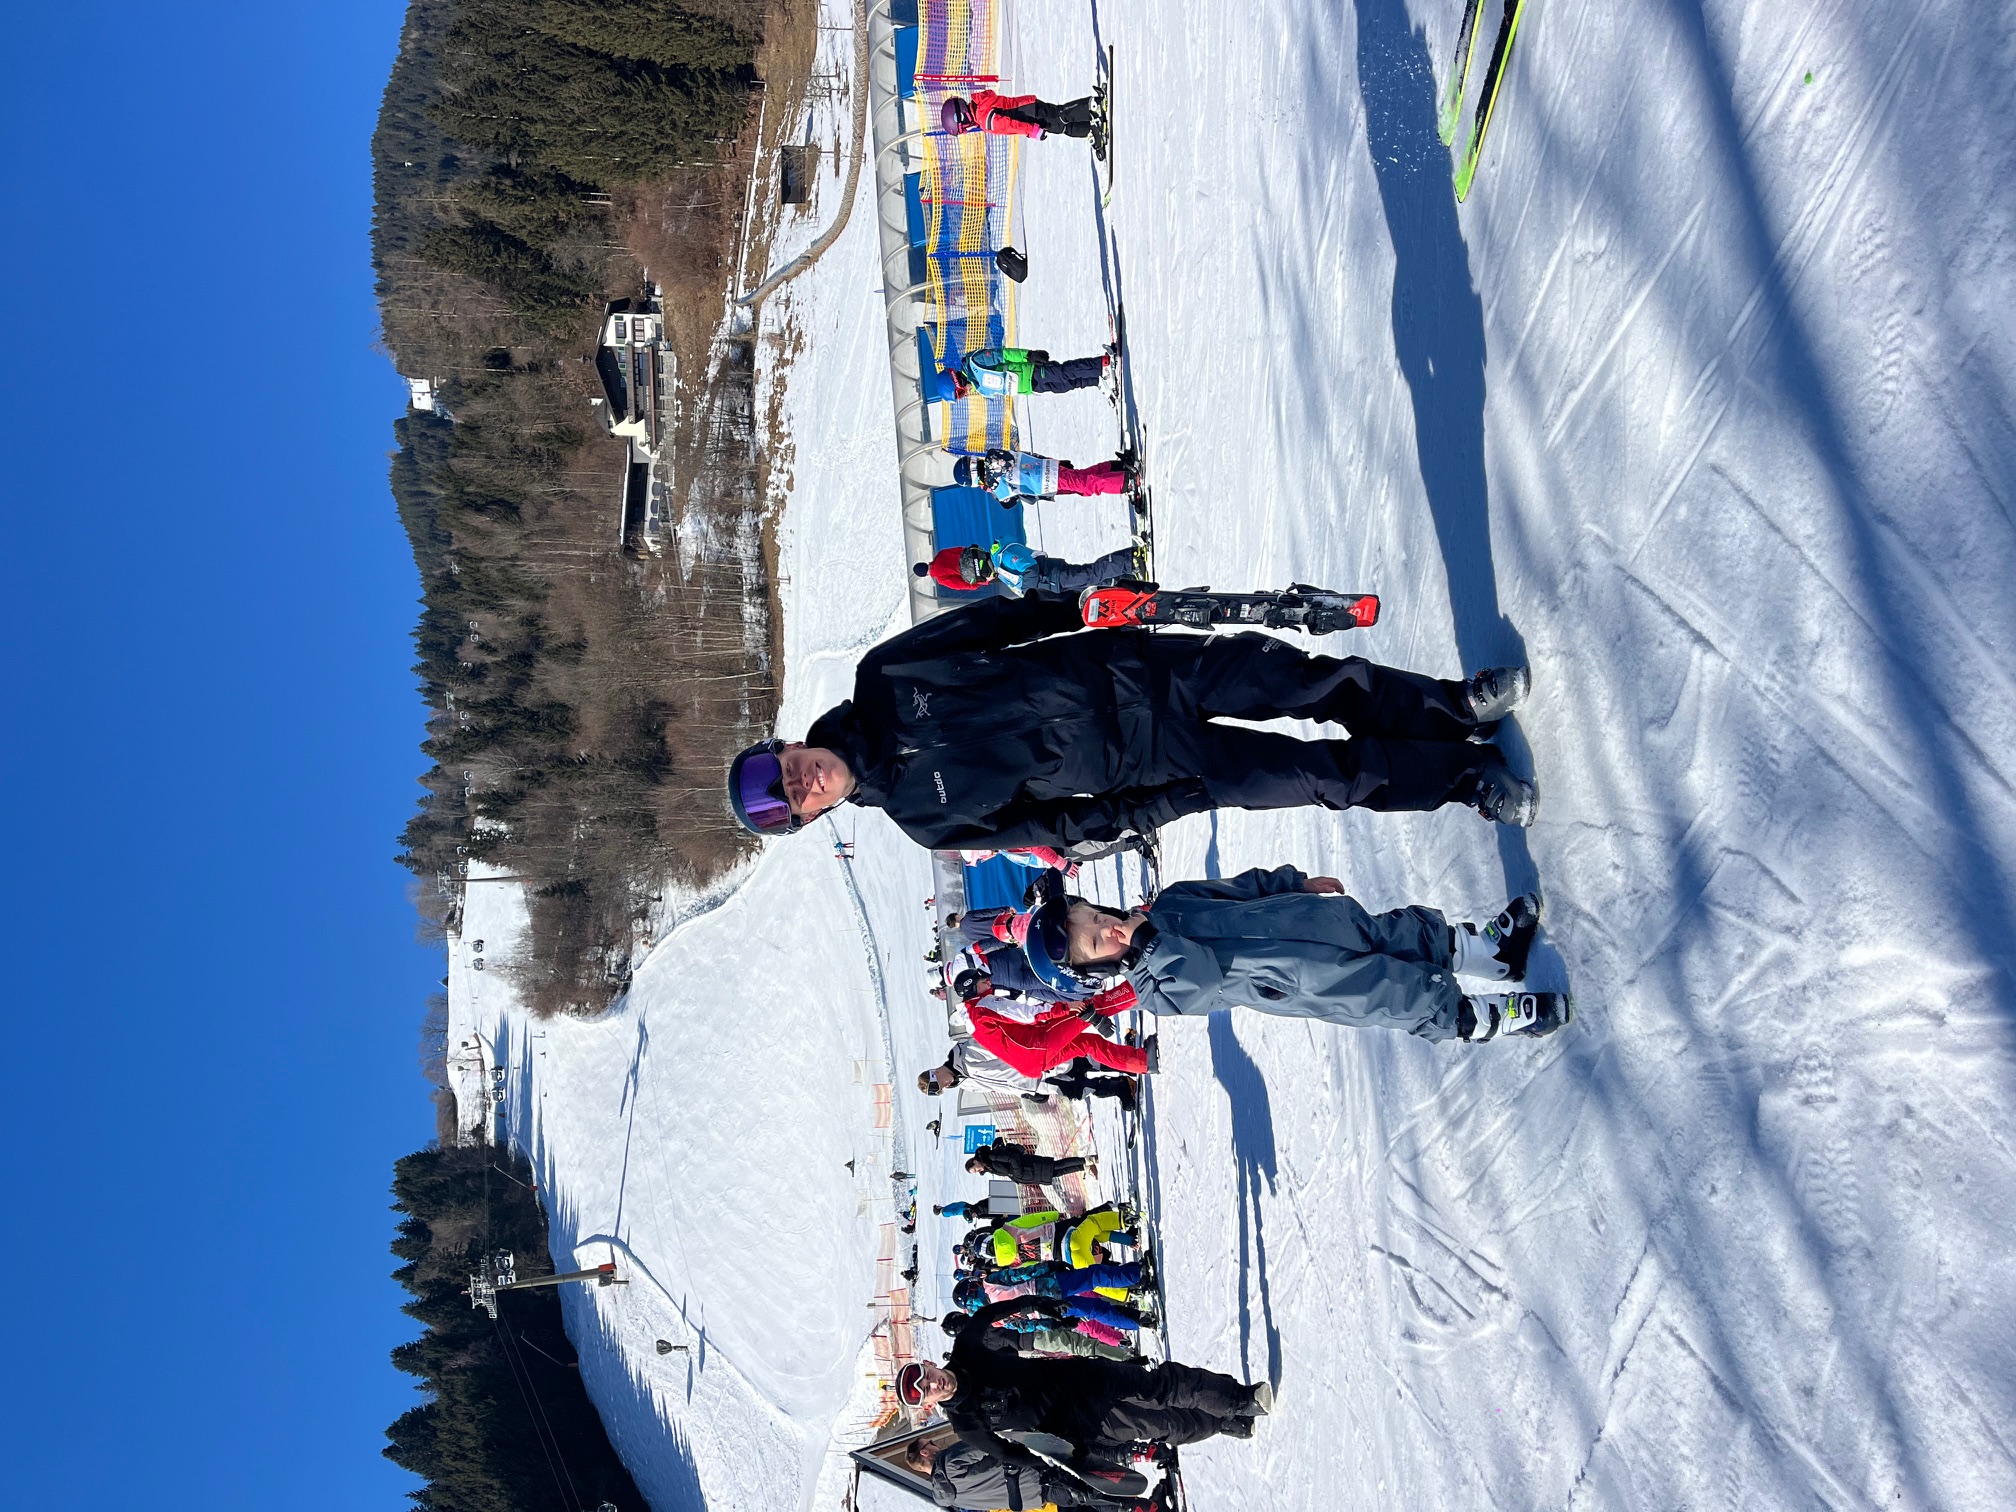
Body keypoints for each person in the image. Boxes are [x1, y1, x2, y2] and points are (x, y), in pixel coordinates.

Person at [724, 591, 1536, 850]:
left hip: (1137, 668)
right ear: (815, 814)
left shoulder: (883, 678)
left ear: (788, 744)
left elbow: (993, 623)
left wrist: (1080, 601)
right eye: (791, 801)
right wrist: (1167, 804)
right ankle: (1466, 778)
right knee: (1320, 777)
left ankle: (1452, 706)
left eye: (781, 769)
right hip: (1151, 761)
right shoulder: (926, 821)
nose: (798, 782)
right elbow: (1059, 829)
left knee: (1309, 684)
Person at [1022, 867, 1569, 1044]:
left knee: (1407, 933)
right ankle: (1502, 1018)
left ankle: (1495, 952)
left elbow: (1239, 889)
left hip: (1318, 921)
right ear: (1094, 971)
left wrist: (1293, 882)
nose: (1107, 929)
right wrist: (1149, 945)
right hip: (1313, 979)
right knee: (1405, 995)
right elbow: (1201, 978)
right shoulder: (1152, 990)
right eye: (1095, 942)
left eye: (1095, 916)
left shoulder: (1170, 901)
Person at [898, 1298, 1273, 1470]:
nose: (932, 1383)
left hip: (1085, 1377)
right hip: (1082, 1425)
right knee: (1167, 1425)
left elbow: (988, 1313)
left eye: (924, 1375)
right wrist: (1056, 1464)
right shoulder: (966, 1426)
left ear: (929, 1364)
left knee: (1163, 1385)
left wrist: (1038, 1303)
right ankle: (1220, 1422)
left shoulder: (966, 1349)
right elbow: (1008, 1454)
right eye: (924, 1391)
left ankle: (1240, 1400)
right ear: (928, 1404)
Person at [903, 1434, 1149, 1512]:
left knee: (1090, 1498)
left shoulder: (948, 1499)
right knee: (1093, 1475)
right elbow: (992, 1445)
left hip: (1036, 1498)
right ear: (925, 1453)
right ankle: (1143, 1457)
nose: (935, 1444)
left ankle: (1144, 1507)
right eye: (931, 1442)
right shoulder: (950, 1461)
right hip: (1035, 1473)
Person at [915, 541, 1139, 600]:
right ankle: (1125, 577)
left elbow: (1029, 568)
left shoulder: (1003, 557)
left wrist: (1030, 593)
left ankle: (1130, 559)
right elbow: (964, 552)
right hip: (1052, 584)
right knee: (1090, 587)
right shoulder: (943, 554)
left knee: (1091, 573)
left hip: (1052, 575)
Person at [931, 345, 1111, 403]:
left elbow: (1005, 354)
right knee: (1064, 385)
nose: (967, 393)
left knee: (1064, 373)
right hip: (1030, 386)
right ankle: (1097, 379)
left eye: (962, 392)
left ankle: (1101, 364)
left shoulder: (976, 363)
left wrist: (1029, 355)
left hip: (1031, 371)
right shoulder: (979, 388)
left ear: (956, 381)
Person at [954, 448, 1137, 505]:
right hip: (1048, 476)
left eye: (977, 482)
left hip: (1047, 480)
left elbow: (1006, 501)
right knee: (1085, 478)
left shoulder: (994, 474)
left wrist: (990, 487)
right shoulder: (994, 456)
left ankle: (1126, 482)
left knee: (1087, 484)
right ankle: (1118, 468)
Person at [941, 90, 1101, 143]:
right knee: (1061, 127)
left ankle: (1091, 105)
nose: (967, 130)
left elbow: (1011, 125)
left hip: (1030, 115)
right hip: (1029, 107)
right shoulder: (981, 102)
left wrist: (1032, 131)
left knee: (1060, 116)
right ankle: (1090, 129)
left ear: (963, 118)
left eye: (963, 128)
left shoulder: (985, 119)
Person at [968, 1139, 1094, 1187]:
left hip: (1029, 1166)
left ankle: (1087, 1160)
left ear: (975, 1161)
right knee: (1058, 1172)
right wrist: (1018, 1178)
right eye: (976, 1172)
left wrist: (1018, 1172)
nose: (978, 1171)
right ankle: (1083, 1167)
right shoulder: (989, 1168)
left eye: (975, 1169)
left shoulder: (991, 1156)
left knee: (1057, 1165)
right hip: (1027, 1174)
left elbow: (1013, 1158)